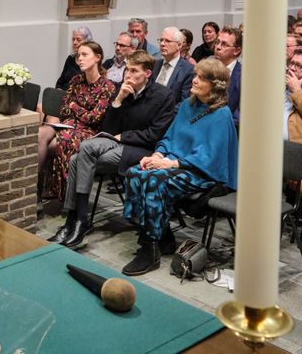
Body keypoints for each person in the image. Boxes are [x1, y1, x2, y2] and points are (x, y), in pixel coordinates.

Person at [120, 58, 238, 276]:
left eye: (201, 78)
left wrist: (169, 163)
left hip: (203, 173)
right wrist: (156, 154)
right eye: (195, 75)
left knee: (154, 181)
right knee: (135, 173)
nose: (194, 80)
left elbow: (210, 157)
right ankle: (162, 237)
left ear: (216, 85)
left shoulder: (221, 114)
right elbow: (169, 136)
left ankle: (150, 248)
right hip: (176, 163)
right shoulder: (188, 105)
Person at [48, 51, 175, 248]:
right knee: (84, 149)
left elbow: (155, 135)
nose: (128, 76)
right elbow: (108, 129)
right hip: (116, 141)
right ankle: (77, 220)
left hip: (142, 149)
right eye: (127, 70)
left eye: (134, 71)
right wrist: (118, 101)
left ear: (148, 73)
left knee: (76, 160)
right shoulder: (122, 91)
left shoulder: (162, 96)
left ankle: (77, 220)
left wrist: (124, 137)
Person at [37, 41, 116, 202]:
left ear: (97, 58)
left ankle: (58, 192)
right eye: (78, 55)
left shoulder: (107, 87)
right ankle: (34, 190)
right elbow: (64, 109)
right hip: (67, 124)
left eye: (84, 55)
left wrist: (74, 107)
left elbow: (94, 119)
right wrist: (77, 109)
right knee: (40, 134)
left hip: (88, 132)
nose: (79, 58)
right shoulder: (76, 81)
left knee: (51, 145)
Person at [151, 27, 195, 105]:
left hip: (170, 115)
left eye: (167, 41)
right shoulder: (155, 65)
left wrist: (163, 115)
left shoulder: (188, 70)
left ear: (179, 45)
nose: (162, 44)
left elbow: (184, 103)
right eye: (161, 40)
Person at [213, 27, 243, 127]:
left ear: (237, 51)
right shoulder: (207, 70)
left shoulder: (242, 78)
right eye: (217, 42)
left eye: (224, 44)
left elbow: (239, 116)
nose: (217, 47)